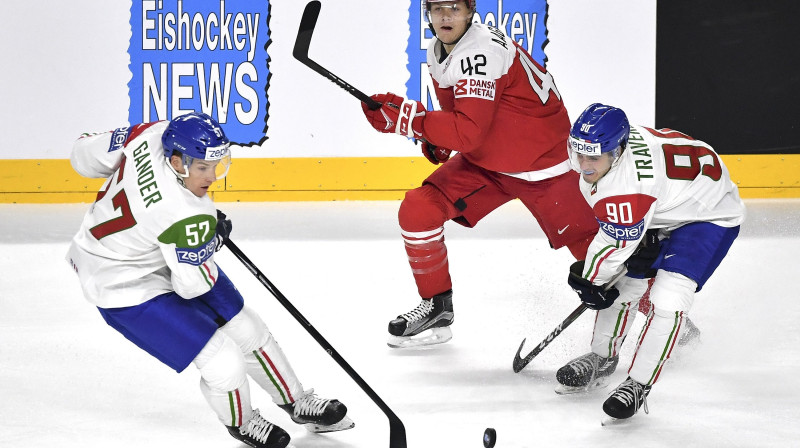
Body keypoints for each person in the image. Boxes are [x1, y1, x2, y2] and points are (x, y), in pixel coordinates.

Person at [65, 112, 353, 447]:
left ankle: (297, 400)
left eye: (216, 164)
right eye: (202, 167)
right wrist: (211, 240)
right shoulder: (188, 215)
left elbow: (82, 156)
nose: (212, 176)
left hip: (149, 247)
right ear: (176, 161)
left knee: (247, 328)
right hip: (121, 284)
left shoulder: (150, 133)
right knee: (223, 361)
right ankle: (242, 422)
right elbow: (192, 286)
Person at [361, 0, 599, 348]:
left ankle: (660, 313)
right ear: (426, 11)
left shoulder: (481, 51)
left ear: (470, 9)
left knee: (597, 258)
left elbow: (467, 132)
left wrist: (413, 122)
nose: (446, 16)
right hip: (488, 163)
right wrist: (435, 137)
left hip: (544, 166)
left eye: (454, 7)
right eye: (437, 7)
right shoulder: (438, 49)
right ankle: (437, 308)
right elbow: (459, 115)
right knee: (419, 208)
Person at [556, 103, 745, 420]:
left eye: (594, 156)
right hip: (668, 202)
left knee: (667, 299)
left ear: (617, 150)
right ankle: (602, 357)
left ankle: (639, 382)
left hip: (709, 216)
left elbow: (615, 244)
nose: (585, 165)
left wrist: (590, 281)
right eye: (579, 154)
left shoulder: (626, 189)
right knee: (626, 283)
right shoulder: (618, 154)